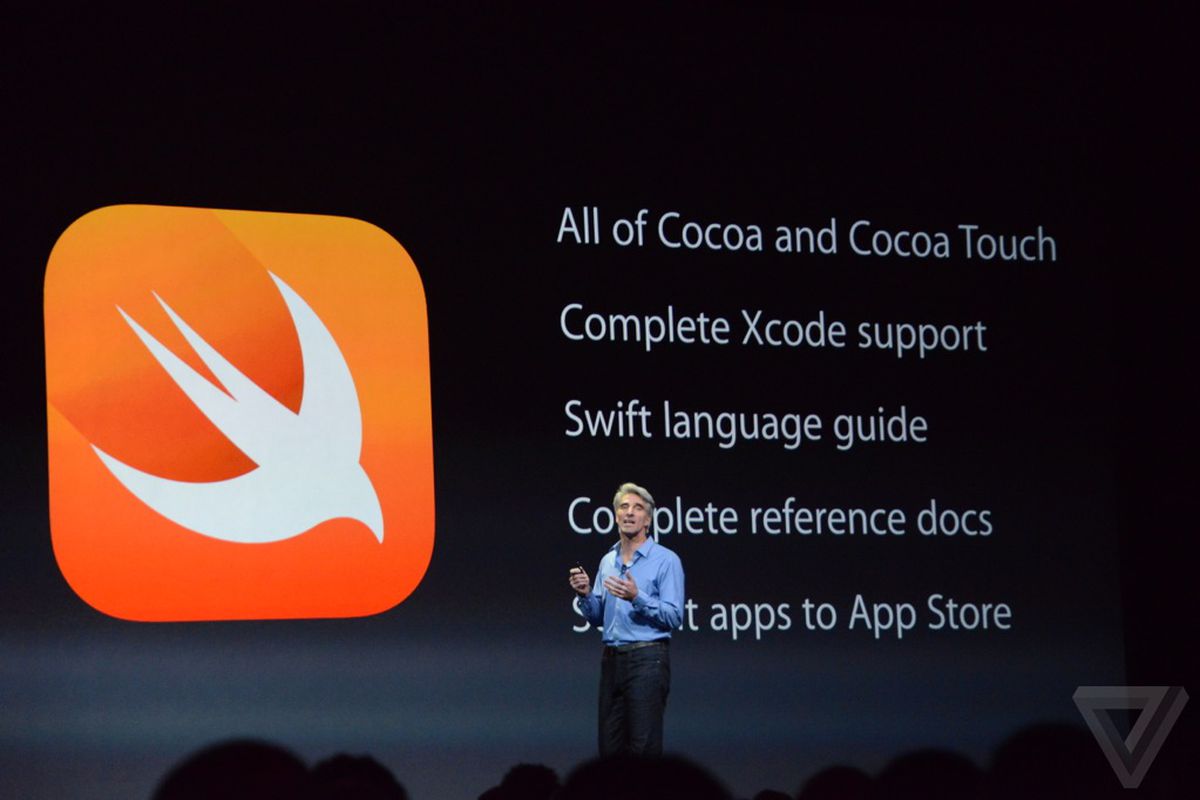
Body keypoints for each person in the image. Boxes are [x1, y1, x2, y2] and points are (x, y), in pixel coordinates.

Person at [569, 482, 685, 756]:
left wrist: (637, 597)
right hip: (611, 661)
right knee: (609, 750)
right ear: (615, 516)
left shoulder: (666, 561)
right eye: (624, 507)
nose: (630, 512)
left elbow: (674, 616)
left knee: (643, 750)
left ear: (648, 519)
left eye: (638, 508)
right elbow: (599, 618)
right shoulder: (608, 561)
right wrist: (586, 595)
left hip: (647, 660)